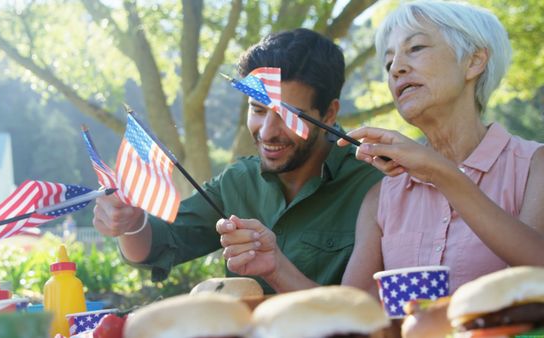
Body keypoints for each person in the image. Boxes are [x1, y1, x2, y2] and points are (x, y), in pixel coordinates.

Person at [93, 28, 383, 294]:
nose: (267, 132)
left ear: (329, 114)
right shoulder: (238, 181)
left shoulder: (376, 182)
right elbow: (159, 244)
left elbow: (365, 314)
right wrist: (130, 223)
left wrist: (277, 269)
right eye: (257, 109)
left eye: (287, 116)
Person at [339, 1, 544, 295]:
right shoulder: (380, 198)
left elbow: (539, 271)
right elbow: (353, 313)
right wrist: (275, 267)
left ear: (474, 61)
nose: (396, 68)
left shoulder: (535, 165)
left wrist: (439, 170)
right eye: (388, 63)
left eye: (416, 48)